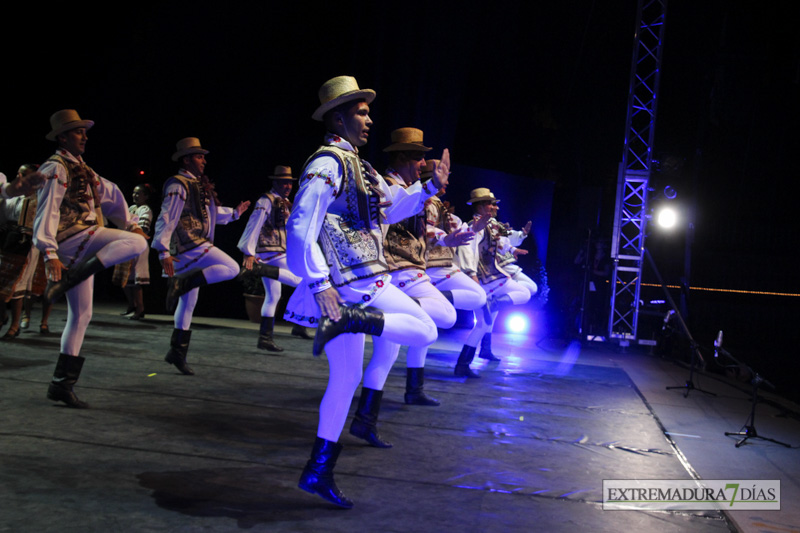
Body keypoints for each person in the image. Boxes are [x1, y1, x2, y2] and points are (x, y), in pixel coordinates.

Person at [285, 76, 450, 508]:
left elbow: (391, 207)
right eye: (361, 112)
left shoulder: (357, 164)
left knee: (345, 379)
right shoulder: (327, 163)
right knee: (427, 328)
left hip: (355, 280)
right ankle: (357, 319)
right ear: (338, 117)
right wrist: (318, 281)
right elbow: (301, 223)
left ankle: (318, 471)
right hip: (354, 281)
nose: (369, 119)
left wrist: (428, 189)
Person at [33, 109, 149, 408]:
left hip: (82, 243)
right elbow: (47, 210)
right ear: (62, 137)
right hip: (72, 239)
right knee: (136, 243)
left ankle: (62, 384)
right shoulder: (55, 168)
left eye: (84, 132)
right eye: (77, 132)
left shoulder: (81, 168)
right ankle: (73, 275)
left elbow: (109, 192)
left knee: (82, 315)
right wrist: (49, 252)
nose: (84, 136)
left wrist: (127, 220)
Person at [151, 137, 250, 375]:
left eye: (203, 156)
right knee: (232, 268)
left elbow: (209, 214)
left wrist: (234, 213)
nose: (204, 161)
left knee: (188, 303)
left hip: (194, 244)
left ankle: (177, 352)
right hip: (188, 244)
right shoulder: (178, 184)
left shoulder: (196, 183)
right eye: (198, 156)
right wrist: (162, 249)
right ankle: (182, 282)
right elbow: (167, 216)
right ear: (187, 159)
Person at [454, 188, 531, 377]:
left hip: (488, 278)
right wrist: (472, 276)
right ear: (479, 206)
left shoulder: (490, 225)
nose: (493, 207)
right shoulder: (474, 226)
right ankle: (494, 303)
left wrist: (514, 249)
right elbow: (467, 251)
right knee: (525, 292)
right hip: (486, 278)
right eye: (489, 203)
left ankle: (462, 365)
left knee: (481, 324)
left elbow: (503, 241)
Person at [237, 165, 307, 352]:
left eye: (289, 184)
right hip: (272, 253)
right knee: (303, 282)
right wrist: (248, 252)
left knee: (273, 296)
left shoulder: (284, 203)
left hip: (277, 252)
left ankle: (265, 338)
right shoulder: (266, 200)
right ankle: (299, 322)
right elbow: (255, 223)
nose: (287, 187)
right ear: (275, 182)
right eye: (284, 183)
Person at [478, 217, 538, 361]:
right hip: (490, 268)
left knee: (531, 288)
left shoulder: (495, 224)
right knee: (488, 318)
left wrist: (521, 235)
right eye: (491, 204)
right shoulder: (477, 225)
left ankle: (496, 299)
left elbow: (507, 240)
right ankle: (485, 349)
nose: (495, 207)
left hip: (504, 267)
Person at [1, 164, 49, 339]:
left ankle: (15, 325)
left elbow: (48, 225)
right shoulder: (10, 198)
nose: (20, 177)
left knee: (18, 285)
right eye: (19, 174)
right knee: (3, 284)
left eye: (25, 175)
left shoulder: (41, 200)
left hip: (28, 245)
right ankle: (3, 315)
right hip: (8, 242)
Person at [116, 183, 155, 320]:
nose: (135, 195)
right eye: (134, 193)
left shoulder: (145, 209)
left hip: (139, 244)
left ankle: (140, 309)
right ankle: (131, 305)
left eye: (138, 193)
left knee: (137, 279)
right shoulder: (132, 208)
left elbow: (143, 229)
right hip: (127, 244)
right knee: (126, 278)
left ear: (145, 196)